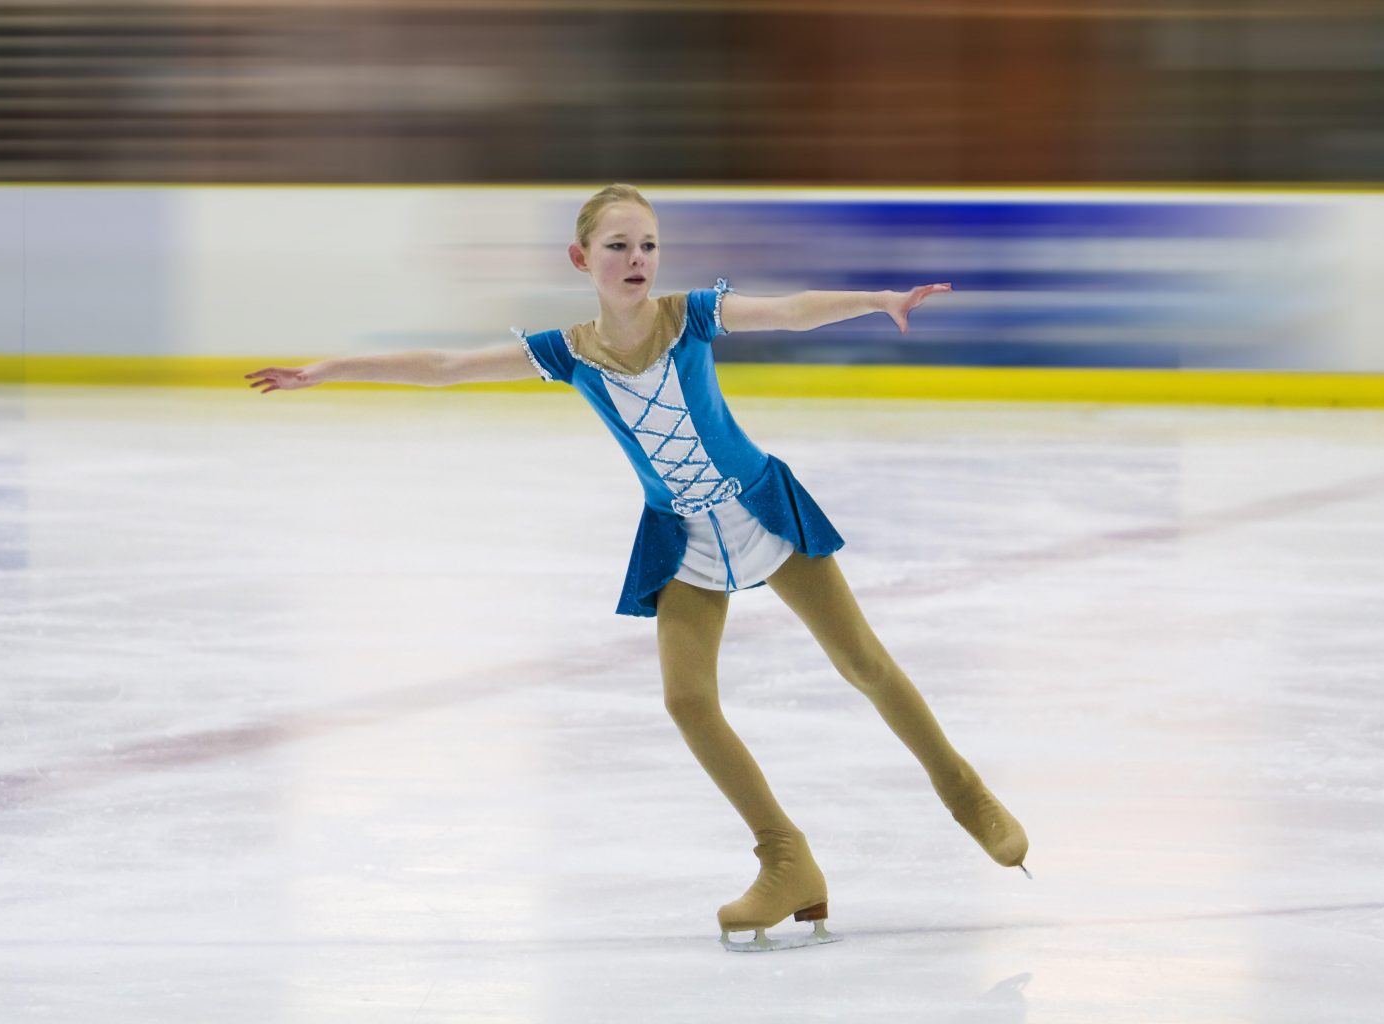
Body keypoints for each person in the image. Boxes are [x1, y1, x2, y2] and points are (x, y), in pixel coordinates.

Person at [245, 183, 1029, 952]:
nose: (637, 259)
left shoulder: (693, 316)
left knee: (862, 662)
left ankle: (968, 795)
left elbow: (788, 310)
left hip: (761, 507)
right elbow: (449, 365)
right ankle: (786, 859)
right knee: (687, 701)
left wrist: (878, 299)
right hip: (682, 537)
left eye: (648, 244)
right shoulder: (568, 353)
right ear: (580, 257)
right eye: (618, 246)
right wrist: (329, 369)